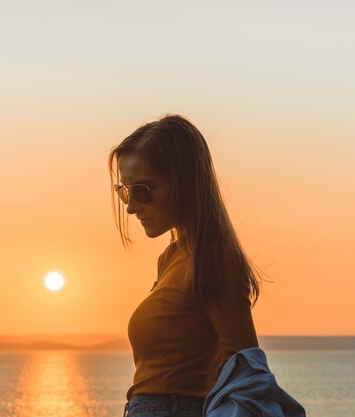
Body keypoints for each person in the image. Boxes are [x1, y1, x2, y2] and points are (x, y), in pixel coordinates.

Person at [108, 114, 266, 417]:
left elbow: (246, 374)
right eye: (125, 190)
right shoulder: (171, 259)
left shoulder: (214, 259)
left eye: (143, 190)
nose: (131, 207)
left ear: (184, 183)